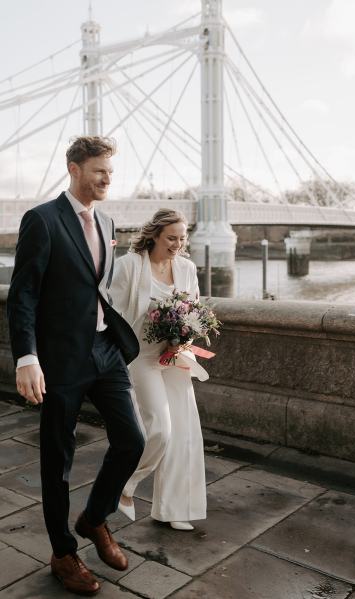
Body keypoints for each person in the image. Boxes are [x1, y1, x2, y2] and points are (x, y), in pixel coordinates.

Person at [7, 136, 145, 596]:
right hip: (61, 359)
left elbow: (95, 285)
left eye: (111, 172)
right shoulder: (42, 220)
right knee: (58, 461)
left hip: (105, 351)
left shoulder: (106, 222)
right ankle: (63, 552)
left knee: (132, 440)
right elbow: (23, 294)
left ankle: (93, 518)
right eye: (99, 171)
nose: (107, 179)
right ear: (74, 168)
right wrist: (27, 357)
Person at [110, 209, 207, 531]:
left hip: (175, 357)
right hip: (141, 357)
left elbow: (194, 311)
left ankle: (173, 509)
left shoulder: (187, 268)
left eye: (182, 238)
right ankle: (125, 484)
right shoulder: (128, 266)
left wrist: (184, 339)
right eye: (171, 238)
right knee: (160, 430)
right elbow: (113, 315)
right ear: (153, 235)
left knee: (183, 435)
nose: (177, 244)